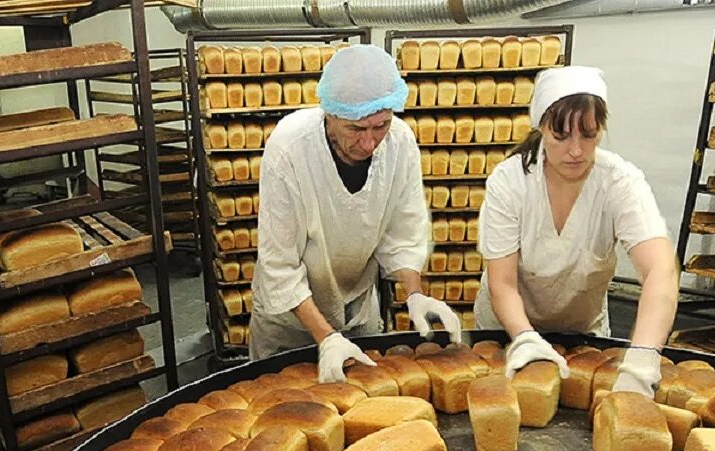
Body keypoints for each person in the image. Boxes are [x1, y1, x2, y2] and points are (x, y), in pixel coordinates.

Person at [250, 44, 462, 382]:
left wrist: (415, 294)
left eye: (380, 126)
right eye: (356, 129)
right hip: (290, 320)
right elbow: (280, 266)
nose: (369, 143)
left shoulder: (400, 143)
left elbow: (403, 232)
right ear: (329, 114)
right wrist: (327, 338)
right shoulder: (290, 149)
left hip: (358, 309)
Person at [475, 66, 679, 397]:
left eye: (588, 134)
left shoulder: (619, 182)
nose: (575, 150)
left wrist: (643, 356)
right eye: (561, 136)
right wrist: (526, 337)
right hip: (508, 332)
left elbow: (660, 268)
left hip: (583, 337)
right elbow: (503, 283)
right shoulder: (510, 182)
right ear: (541, 126)